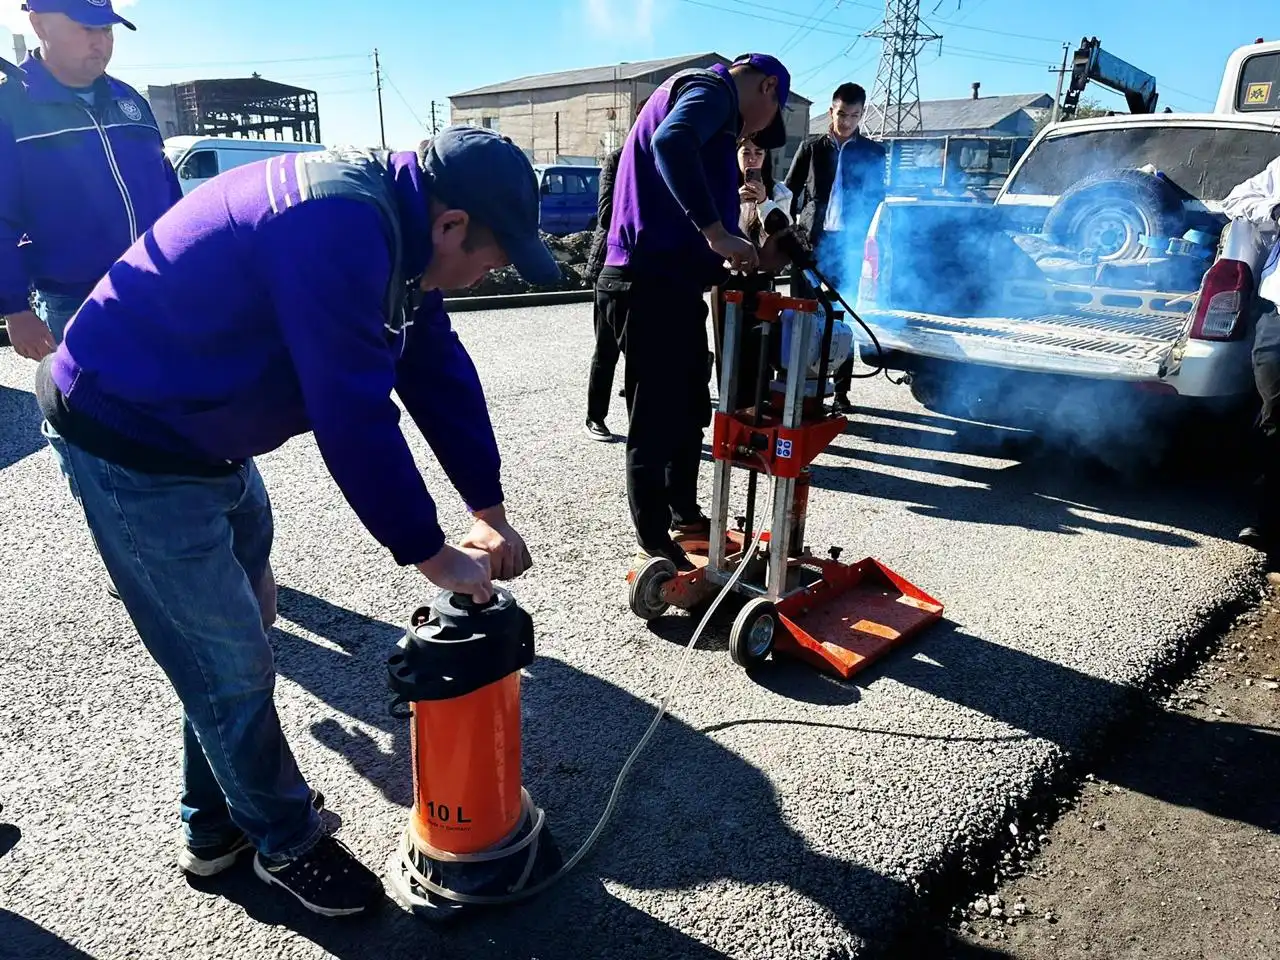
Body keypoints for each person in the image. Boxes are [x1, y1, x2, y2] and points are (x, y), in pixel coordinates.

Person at [36, 126, 560, 917]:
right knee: (229, 665)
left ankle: (213, 831)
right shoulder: (338, 227)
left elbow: (434, 369)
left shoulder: (399, 226)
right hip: (129, 443)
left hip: (203, 437)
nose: (485, 276)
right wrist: (431, 553)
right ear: (451, 225)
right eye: (490, 261)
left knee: (232, 641)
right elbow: (352, 413)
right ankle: (288, 842)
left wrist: (486, 508)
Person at [597, 53, 795, 570]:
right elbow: (670, 142)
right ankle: (654, 536)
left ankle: (684, 512)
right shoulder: (712, 92)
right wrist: (716, 231)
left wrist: (744, 251)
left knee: (688, 409)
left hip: (672, 285)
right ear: (767, 89)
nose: (749, 138)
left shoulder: (706, 100)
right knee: (658, 414)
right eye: (763, 126)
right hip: (648, 283)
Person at [0, 0, 181, 360]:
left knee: (163, 407)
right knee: (82, 413)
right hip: (74, 303)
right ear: (40, 25)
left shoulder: (128, 99)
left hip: (156, 287)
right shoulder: (10, 107)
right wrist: (15, 308)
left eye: (107, 30)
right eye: (86, 29)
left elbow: (170, 193)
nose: (101, 42)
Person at [785, 81, 886, 413]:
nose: (846, 122)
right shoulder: (812, 148)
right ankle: (797, 389)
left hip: (849, 246)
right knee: (801, 315)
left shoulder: (873, 152)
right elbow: (788, 193)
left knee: (842, 317)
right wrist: (792, 233)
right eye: (842, 114)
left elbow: (877, 199)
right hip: (812, 243)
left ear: (862, 115)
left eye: (854, 116)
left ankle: (841, 393)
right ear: (831, 110)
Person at [1223, 155, 1280, 556]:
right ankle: (1267, 518)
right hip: (1277, 310)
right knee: (1274, 412)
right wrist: (1274, 210)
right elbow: (1235, 200)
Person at [583, 145, 624, 442]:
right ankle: (595, 416)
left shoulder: (666, 156)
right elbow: (606, 213)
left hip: (647, 267)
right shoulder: (617, 159)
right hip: (610, 264)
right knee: (606, 347)